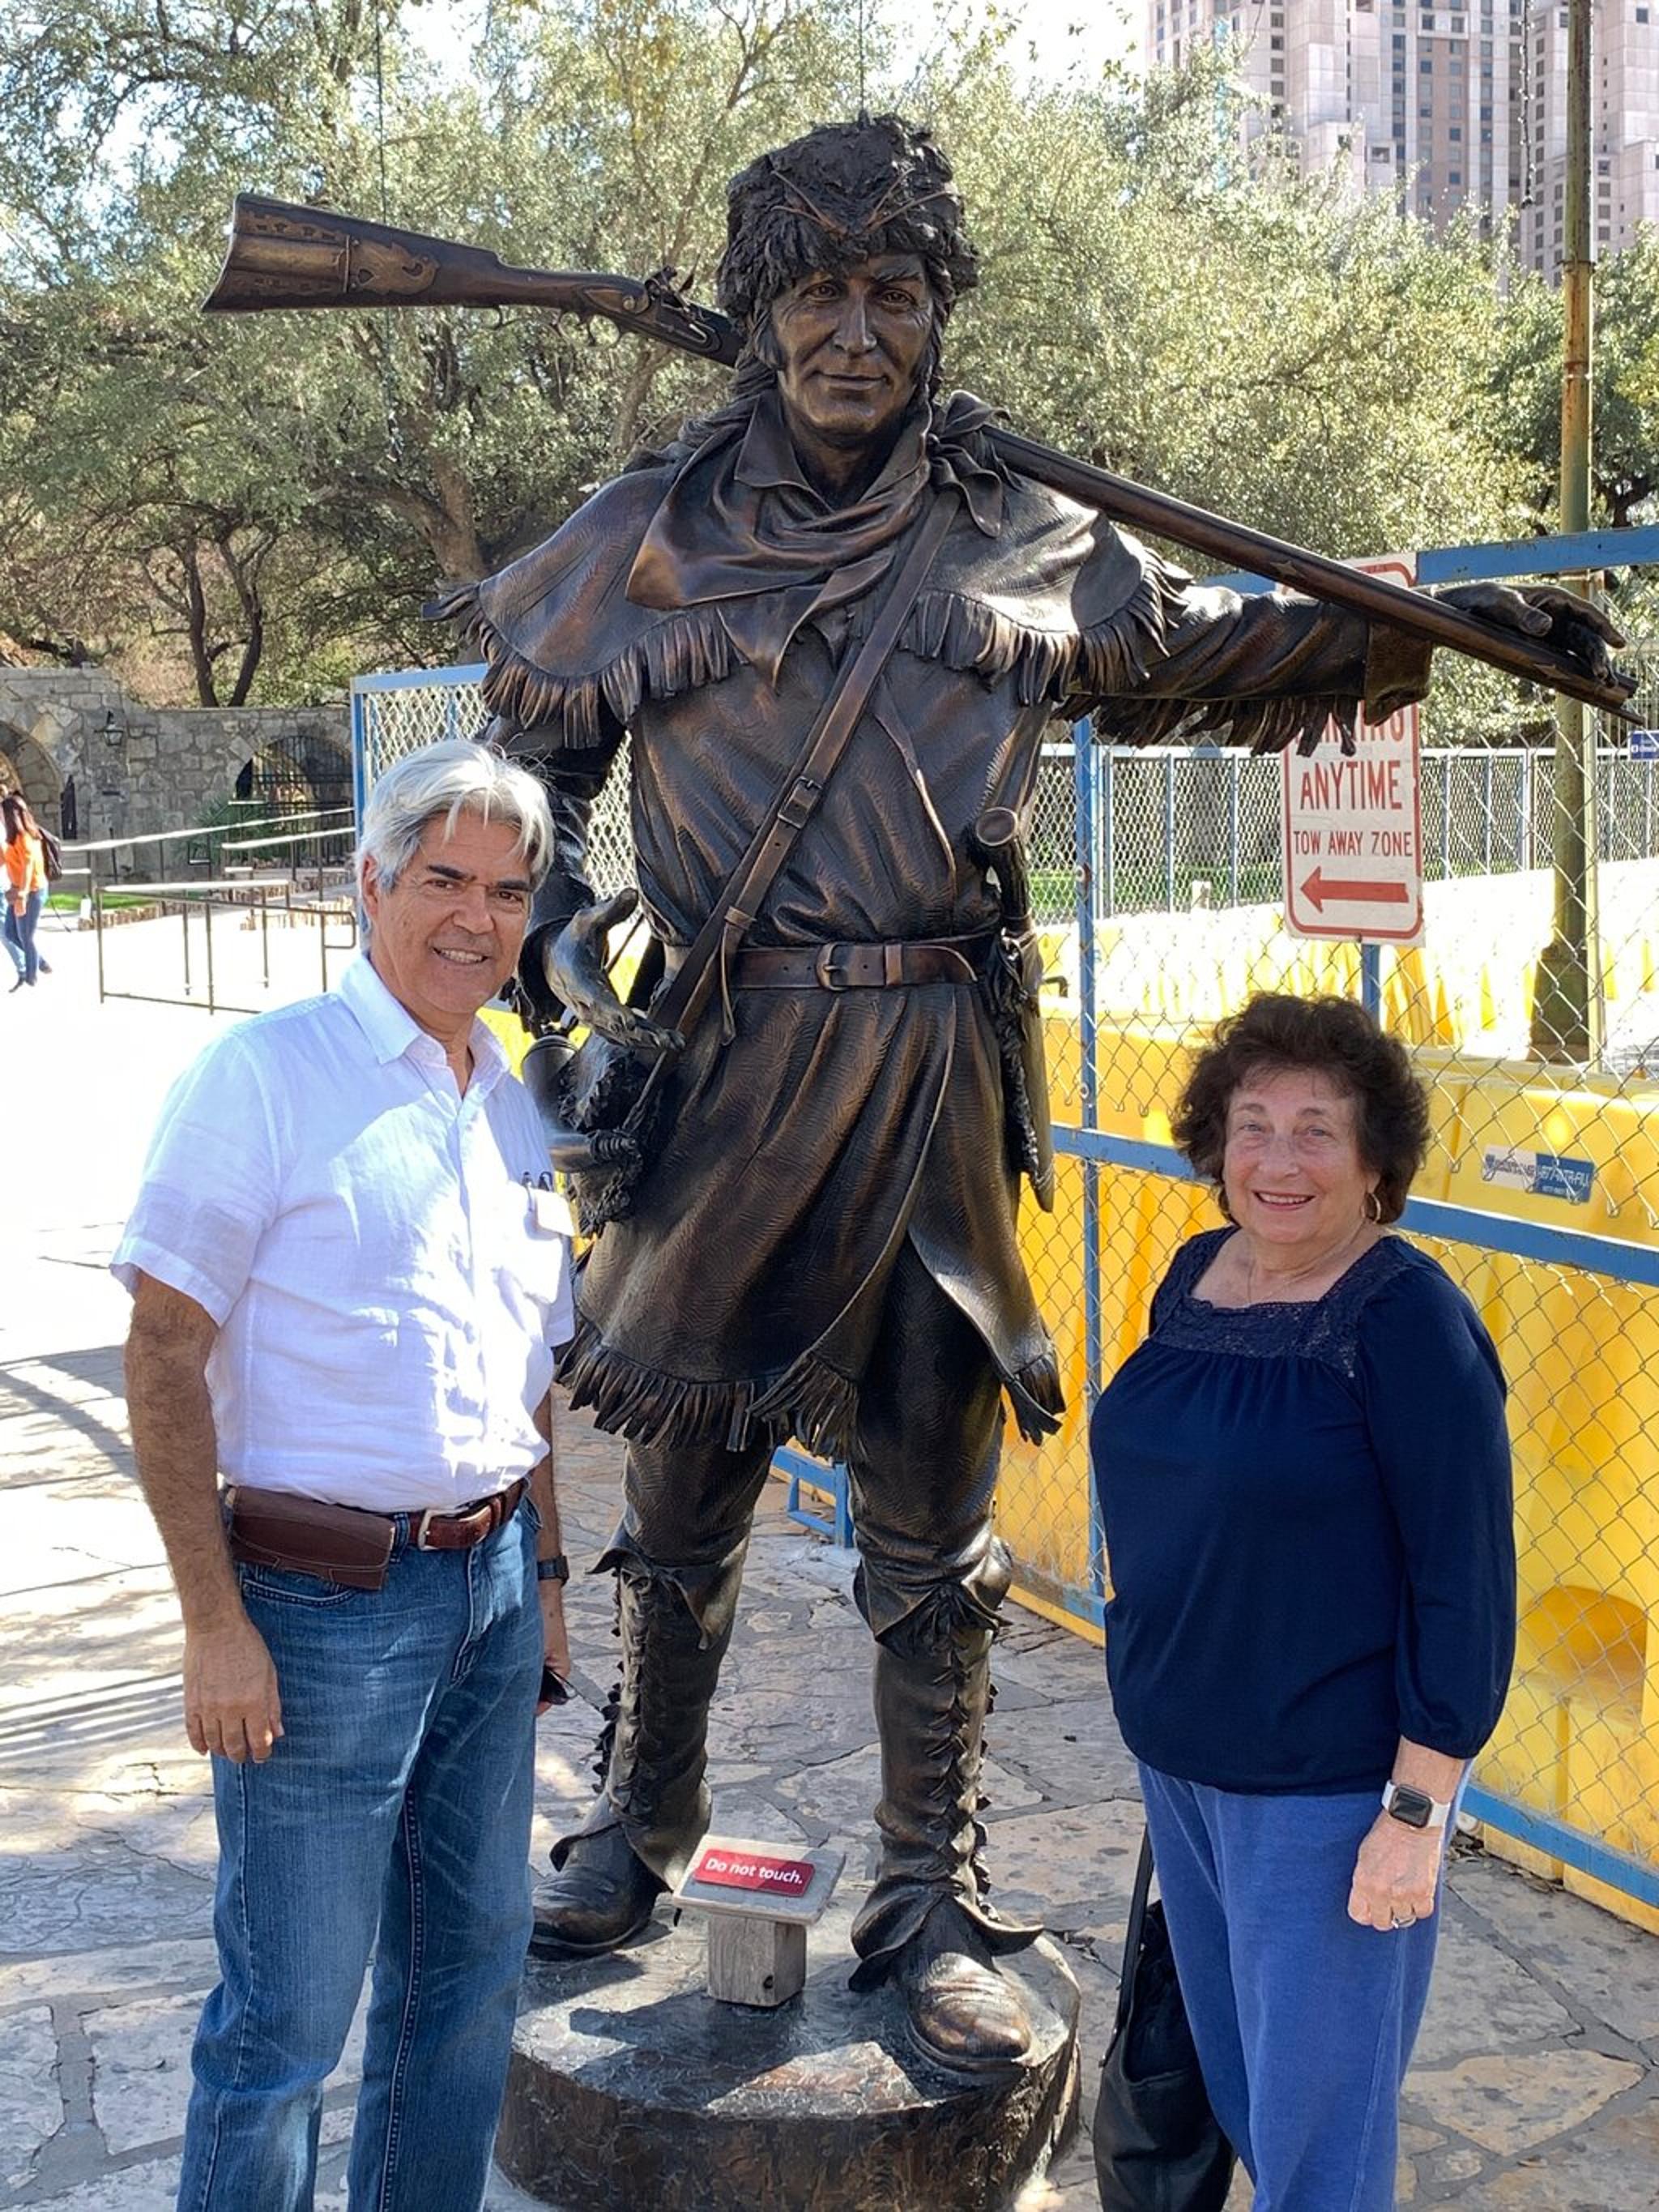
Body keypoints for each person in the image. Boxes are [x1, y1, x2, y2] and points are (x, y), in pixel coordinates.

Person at [433, 114, 1598, 2072]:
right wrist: (556, 947)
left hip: (925, 1079)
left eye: (893, 292)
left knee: (927, 1501)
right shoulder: (645, 530)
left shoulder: (1018, 531)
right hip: (717, 1067)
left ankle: (924, 1885)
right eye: (817, 290)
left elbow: (1213, 658)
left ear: (934, 312)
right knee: (687, 1482)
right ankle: (639, 1822)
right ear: (756, 316)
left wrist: (1436, 632)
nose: (856, 330)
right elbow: (523, 772)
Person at [114, 738, 575, 2212]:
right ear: (366, 882)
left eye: (506, 891)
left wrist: (547, 1581)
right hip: (318, 1610)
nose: (475, 918)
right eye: (442, 878)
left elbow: (528, 1376)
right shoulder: (261, 1080)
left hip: (493, 1591)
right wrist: (211, 1623)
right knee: (288, 2021)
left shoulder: (510, 1096)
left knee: (465, 1983)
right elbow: (162, 1351)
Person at [1089, 992, 1516, 2208]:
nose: (1280, 1160)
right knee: (1249, 2103)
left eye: (1318, 1129)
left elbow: (1466, 1581)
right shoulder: (1195, 1274)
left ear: (1375, 1161)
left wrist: (1417, 1812)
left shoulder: (1407, 1322)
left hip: (1328, 1800)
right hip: (1186, 1769)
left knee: (1319, 2153)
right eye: (1253, 1124)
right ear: (1215, 1144)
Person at [2, 792, 49, 989]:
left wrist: (22, 895)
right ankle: (40, 963)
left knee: (25, 935)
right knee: (10, 932)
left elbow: (29, 866)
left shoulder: (25, 838)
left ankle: (31, 977)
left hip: (33, 891)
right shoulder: (10, 839)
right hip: (19, 889)